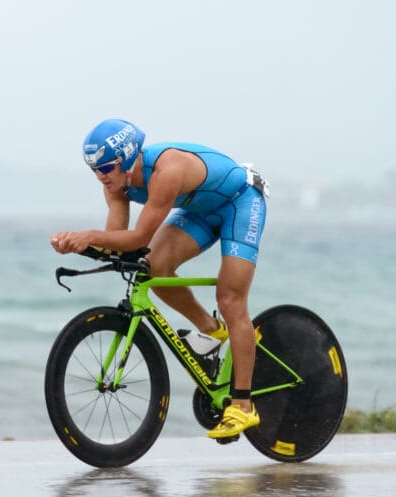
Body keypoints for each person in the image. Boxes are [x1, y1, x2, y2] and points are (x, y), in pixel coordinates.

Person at [50, 118, 269, 441]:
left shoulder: (166, 171)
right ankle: (211, 331)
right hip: (200, 210)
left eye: (106, 168)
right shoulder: (116, 184)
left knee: (230, 299)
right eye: (94, 169)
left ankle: (243, 406)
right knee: (153, 267)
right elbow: (116, 239)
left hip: (240, 203)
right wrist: (76, 243)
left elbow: (138, 236)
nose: (100, 176)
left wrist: (90, 236)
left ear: (126, 158)